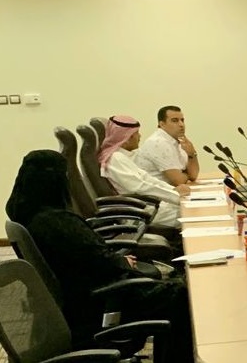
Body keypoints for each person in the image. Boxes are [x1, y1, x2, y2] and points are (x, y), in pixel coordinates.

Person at [6, 150, 195, 362]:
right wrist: (121, 261)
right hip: (98, 302)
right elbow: (96, 259)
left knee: (176, 292)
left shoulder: (30, 214)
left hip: (79, 298)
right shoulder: (57, 222)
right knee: (181, 296)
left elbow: (86, 255)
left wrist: (116, 260)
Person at [99, 115, 189, 228]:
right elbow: (140, 187)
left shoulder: (122, 156)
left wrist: (173, 190)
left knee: (190, 208)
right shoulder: (115, 159)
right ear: (127, 138)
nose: (140, 136)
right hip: (140, 211)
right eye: (136, 133)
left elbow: (146, 178)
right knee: (191, 213)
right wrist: (176, 196)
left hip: (147, 205)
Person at [133, 105, 199, 186]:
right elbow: (178, 180)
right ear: (162, 124)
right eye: (175, 121)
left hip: (169, 190)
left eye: (182, 120)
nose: (181, 124)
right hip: (153, 192)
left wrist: (192, 154)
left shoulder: (177, 141)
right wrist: (186, 175)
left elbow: (193, 176)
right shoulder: (158, 142)